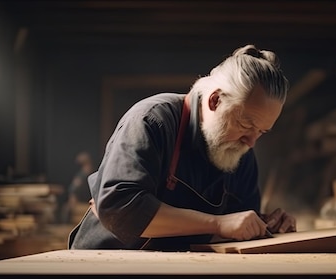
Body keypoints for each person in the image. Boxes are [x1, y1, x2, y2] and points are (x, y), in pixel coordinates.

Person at [67, 44, 297, 252]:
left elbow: (237, 231)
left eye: (261, 131)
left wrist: (264, 225)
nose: (251, 142)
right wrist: (218, 223)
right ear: (215, 100)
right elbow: (120, 208)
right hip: (104, 267)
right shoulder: (153, 121)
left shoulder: (241, 152)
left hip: (172, 273)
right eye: (246, 124)